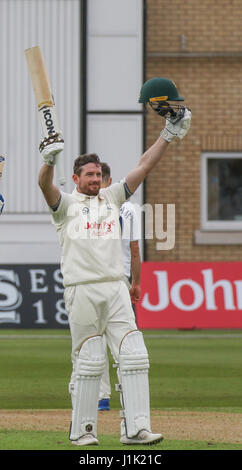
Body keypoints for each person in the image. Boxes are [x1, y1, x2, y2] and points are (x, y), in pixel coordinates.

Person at [38, 79, 191, 446]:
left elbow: (143, 166)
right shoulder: (66, 207)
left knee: (134, 355)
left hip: (116, 287)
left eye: (97, 174)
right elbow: (44, 186)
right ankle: (83, 431)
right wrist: (46, 161)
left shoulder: (112, 197)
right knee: (89, 360)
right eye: (88, 175)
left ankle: (136, 428)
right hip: (82, 290)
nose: (94, 179)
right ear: (76, 179)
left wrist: (168, 136)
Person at [98, 162, 141, 411]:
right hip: (121, 279)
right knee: (125, 340)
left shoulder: (86, 207)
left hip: (97, 279)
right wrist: (136, 282)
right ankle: (128, 394)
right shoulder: (129, 209)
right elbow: (135, 249)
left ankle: (102, 396)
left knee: (96, 339)